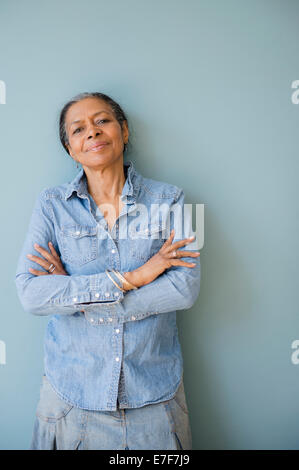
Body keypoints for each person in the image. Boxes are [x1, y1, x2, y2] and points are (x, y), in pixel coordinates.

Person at [15, 92, 201, 450]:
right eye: (79, 129)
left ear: (124, 131)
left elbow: (184, 288)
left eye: (102, 121)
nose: (92, 133)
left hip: (154, 396)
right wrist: (134, 278)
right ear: (70, 148)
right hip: (70, 397)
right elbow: (30, 294)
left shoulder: (172, 199)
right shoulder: (51, 205)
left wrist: (75, 294)